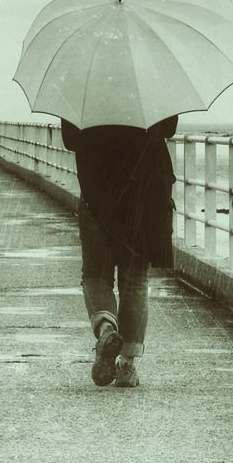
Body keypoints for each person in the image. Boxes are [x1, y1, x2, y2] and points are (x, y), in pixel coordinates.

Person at [61, 115, 178, 388]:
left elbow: (70, 140)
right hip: (144, 193)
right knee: (135, 281)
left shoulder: (82, 78)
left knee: (96, 273)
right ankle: (126, 367)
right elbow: (168, 128)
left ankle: (106, 329)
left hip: (97, 191)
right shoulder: (153, 75)